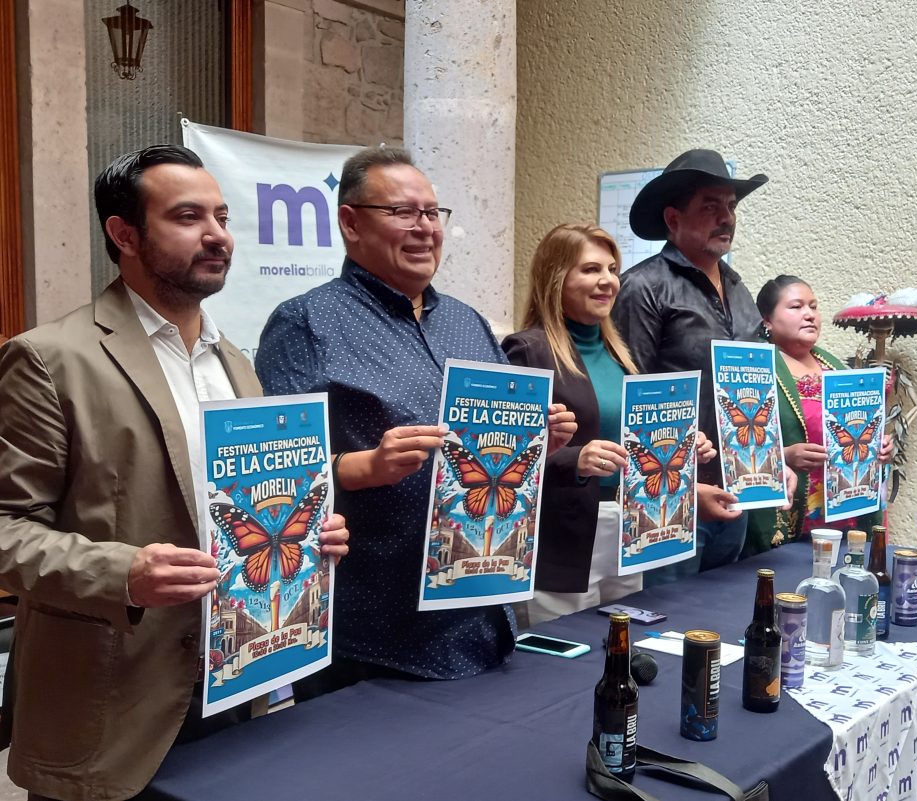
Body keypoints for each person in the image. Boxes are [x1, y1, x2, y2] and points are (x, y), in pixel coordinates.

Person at [0, 144, 350, 801]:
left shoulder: (238, 366)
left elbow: (244, 509)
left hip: (234, 686)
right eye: (188, 217)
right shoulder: (49, 360)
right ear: (124, 234)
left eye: (222, 216)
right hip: (109, 702)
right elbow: (7, 529)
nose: (217, 235)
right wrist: (123, 573)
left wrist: (310, 536)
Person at [256, 147, 576, 695]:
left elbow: (494, 457)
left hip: (483, 611)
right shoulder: (306, 322)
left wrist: (535, 443)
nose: (425, 228)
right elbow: (272, 484)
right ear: (351, 223)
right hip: (374, 635)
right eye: (403, 212)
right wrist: (365, 467)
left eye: (432, 213)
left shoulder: (467, 322)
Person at [502, 224, 715, 626]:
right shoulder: (527, 350)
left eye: (612, 269)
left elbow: (634, 439)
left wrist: (684, 448)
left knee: (623, 644)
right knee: (565, 653)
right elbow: (502, 459)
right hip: (561, 538)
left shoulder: (623, 355)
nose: (608, 281)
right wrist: (574, 459)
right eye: (590, 269)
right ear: (555, 278)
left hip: (629, 528)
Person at [612, 148, 773, 575]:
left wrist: (777, 461)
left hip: (738, 492)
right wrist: (687, 487)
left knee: (724, 611)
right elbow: (631, 397)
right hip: (669, 502)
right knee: (668, 615)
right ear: (673, 219)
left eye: (731, 206)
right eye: (710, 206)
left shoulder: (739, 290)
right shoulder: (642, 287)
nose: (727, 217)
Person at [745, 275, 892, 556]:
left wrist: (879, 446)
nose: (810, 314)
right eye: (796, 307)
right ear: (767, 320)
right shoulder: (754, 371)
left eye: (813, 306)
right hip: (791, 515)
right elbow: (734, 445)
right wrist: (783, 455)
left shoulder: (835, 368)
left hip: (845, 512)